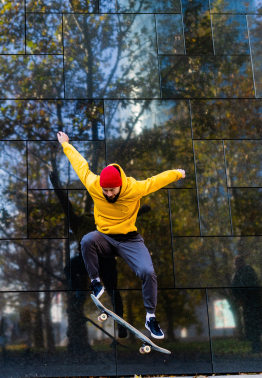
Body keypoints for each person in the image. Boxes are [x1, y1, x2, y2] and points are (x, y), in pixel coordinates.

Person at [56, 131, 185, 339]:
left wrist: (177, 173)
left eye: (112, 191)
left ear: (120, 185)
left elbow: (156, 181)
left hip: (129, 240)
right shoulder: (94, 184)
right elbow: (79, 164)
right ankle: (95, 281)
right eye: (105, 191)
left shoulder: (134, 188)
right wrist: (66, 144)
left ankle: (150, 317)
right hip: (104, 239)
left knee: (147, 271)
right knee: (87, 240)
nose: (108, 194)